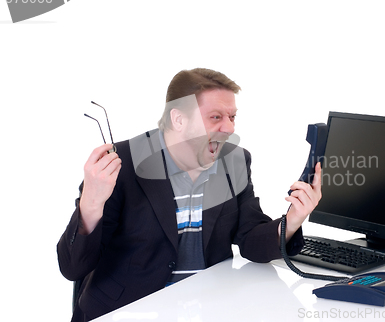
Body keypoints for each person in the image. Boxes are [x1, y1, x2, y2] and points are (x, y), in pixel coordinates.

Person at [57, 68, 322, 322]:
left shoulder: (235, 161)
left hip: (206, 308)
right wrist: (91, 203)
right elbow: (72, 268)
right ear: (178, 119)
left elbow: (250, 238)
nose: (229, 129)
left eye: (232, 117)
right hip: (129, 310)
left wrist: (293, 220)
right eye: (216, 117)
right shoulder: (121, 164)